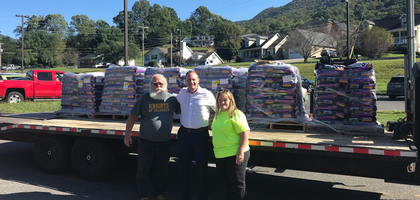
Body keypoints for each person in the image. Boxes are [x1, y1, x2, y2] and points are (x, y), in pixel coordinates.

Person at [124, 74, 180, 200]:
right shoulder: (144, 99)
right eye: (155, 84)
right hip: (146, 142)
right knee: (143, 170)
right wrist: (127, 135)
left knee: (162, 171)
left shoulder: (172, 100)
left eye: (161, 84)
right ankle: (143, 195)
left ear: (165, 85)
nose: (158, 86)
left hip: (164, 141)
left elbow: (185, 111)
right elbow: (132, 117)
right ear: (151, 85)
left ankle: (159, 194)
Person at [176, 70, 216, 200]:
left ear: (198, 80)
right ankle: (185, 195)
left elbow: (219, 110)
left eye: (193, 79)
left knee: (201, 169)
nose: (191, 82)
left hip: (200, 136)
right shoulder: (182, 93)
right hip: (184, 135)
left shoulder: (207, 94)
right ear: (185, 81)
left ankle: (203, 196)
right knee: (183, 168)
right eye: (189, 80)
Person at [211, 89, 251, 200]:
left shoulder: (236, 114)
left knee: (237, 185)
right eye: (220, 100)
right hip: (220, 155)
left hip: (234, 154)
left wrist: (240, 153)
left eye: (225, 100)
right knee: (225, 184)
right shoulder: (217, 115)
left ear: (231, 101)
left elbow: (245, 133)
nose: (222, 102)